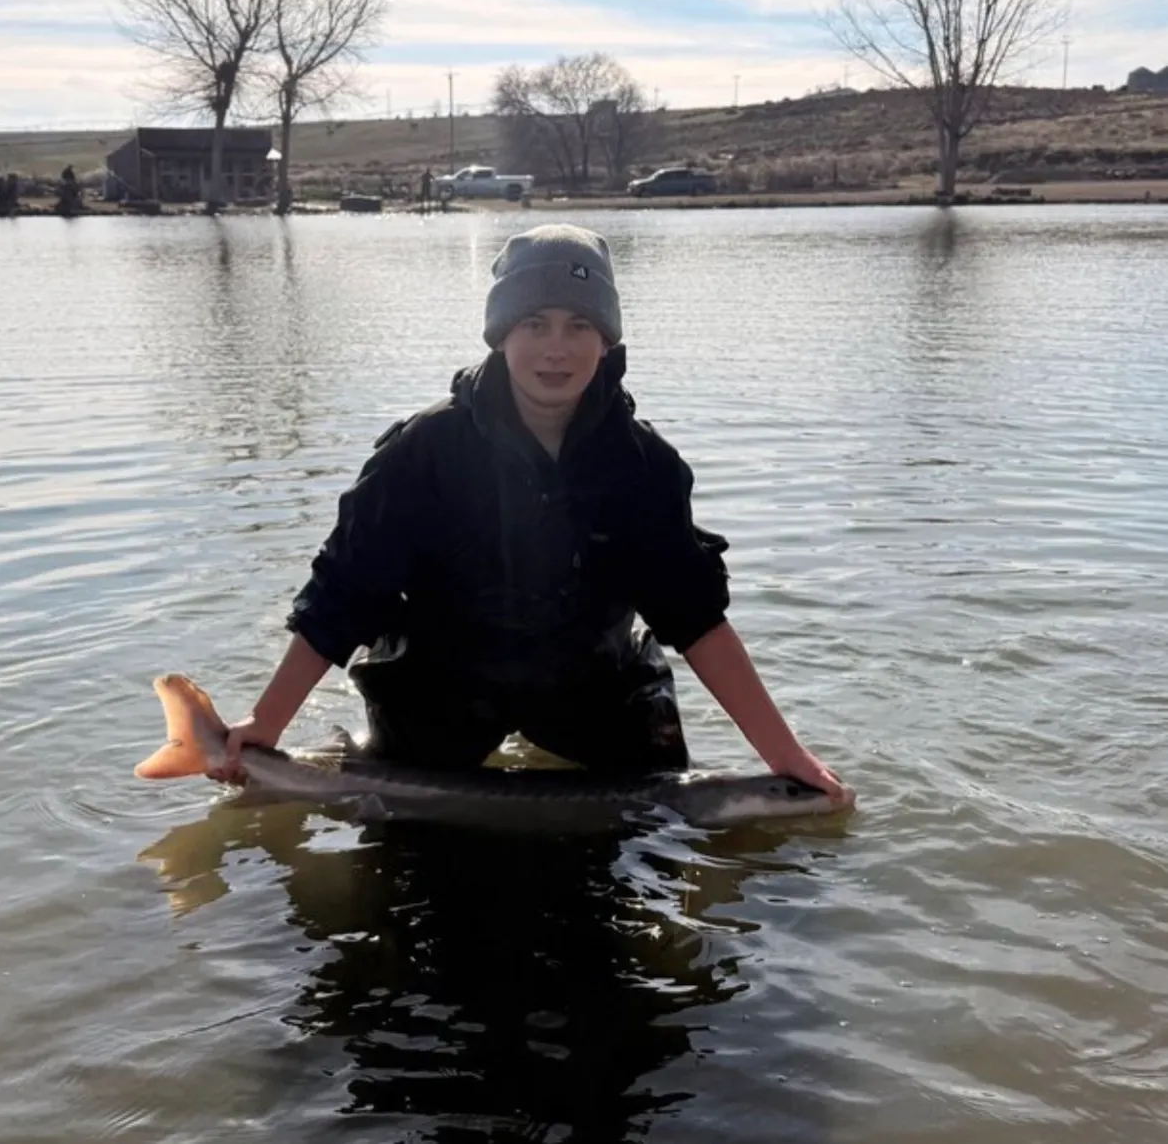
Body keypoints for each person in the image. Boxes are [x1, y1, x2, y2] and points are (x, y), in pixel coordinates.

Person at [221, 224, 849, 802]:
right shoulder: (425, 451)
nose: (557, 348)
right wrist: (265, 723)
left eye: (579, 324)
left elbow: (697, 619)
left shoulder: (644, 465)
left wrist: (786, 755)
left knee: (650, 836)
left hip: (592, 678)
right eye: (535, 324)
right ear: (501, 334)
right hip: (443, 682)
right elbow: (343, 594)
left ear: (606, 339)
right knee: (408, 868)